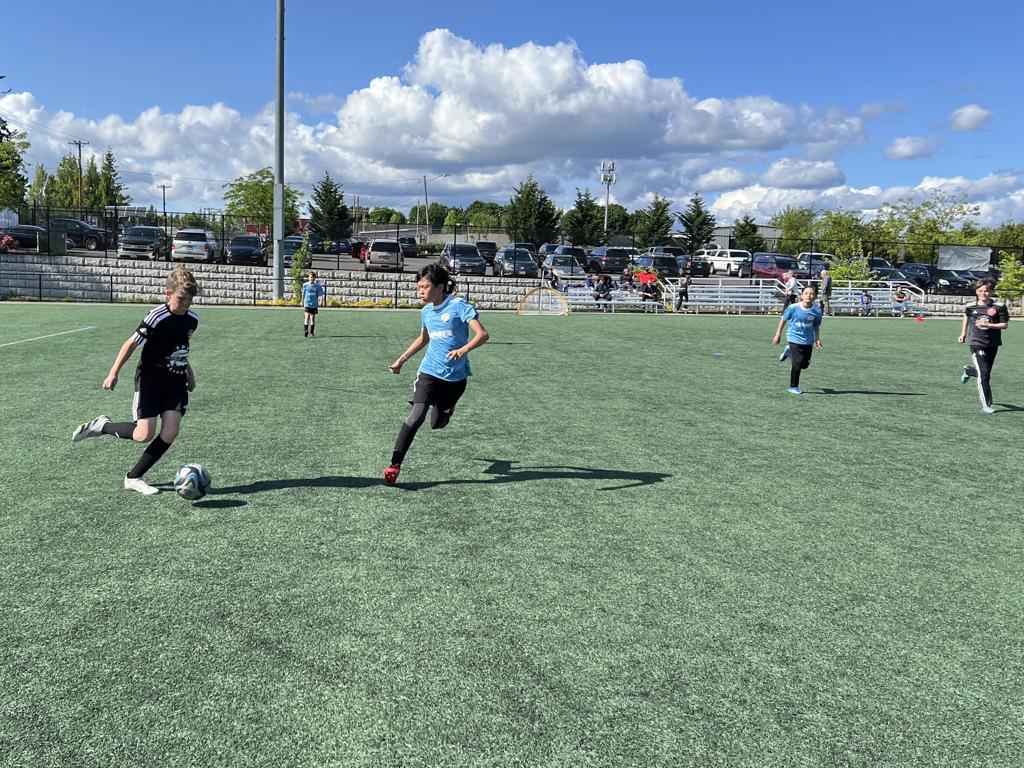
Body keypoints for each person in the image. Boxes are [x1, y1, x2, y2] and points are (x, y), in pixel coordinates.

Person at [71, 267, 200, 495]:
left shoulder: (192, 320)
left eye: (190, 299)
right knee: (143, 435)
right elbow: (130, 344)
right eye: (182, 298)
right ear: (169, 294)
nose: (186, 304)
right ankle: (102, 426)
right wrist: (113, 373)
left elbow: (178, 348)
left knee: (170, 432)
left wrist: (189, 372)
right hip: (150, 381)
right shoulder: (156, 317)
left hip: (175, 383)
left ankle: (133, 477)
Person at [384, 263, 489, 484]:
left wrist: (463, 350)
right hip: (429, 372)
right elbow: (423, 339)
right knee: (416, 415)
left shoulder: (458, 305)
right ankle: (394, 465)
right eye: (419, 287)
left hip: (455, 379)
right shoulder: (426, 312)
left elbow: (482, 334)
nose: (420, 291)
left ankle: (448, 408)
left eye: (425, 287)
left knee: (437, 423)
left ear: (440, 287)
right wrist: (401, 360)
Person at [958, 277, 1009, 414]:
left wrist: (989, 325)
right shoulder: (970, 306)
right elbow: (966, 316)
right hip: (976, 342)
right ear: (976, 291)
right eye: (980, 290)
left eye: (986, 291)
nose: (983, 293)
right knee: (984, 374)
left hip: (992, 343)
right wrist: (963, 333)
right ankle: (986, 404)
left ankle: (969, 371)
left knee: (985, 373)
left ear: (991, 292)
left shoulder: (999, 307)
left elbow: (1004, 325)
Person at [772, 284, 823, 395]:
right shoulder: (793, 308)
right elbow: (783, 319)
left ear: (815, 296)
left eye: (812, 294)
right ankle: (793, 386)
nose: (809, 296)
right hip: (794, 337)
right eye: (806, 293)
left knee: (805, 364)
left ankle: (788, 351)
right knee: (797, 363)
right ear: (801, 295)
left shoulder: (817, 311)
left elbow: (816, 325)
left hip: (808, 340)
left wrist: (817, 339)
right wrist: (778, 334)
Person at [302, 270, 325, 336]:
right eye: (310, 277)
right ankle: (306, 331)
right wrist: (302, 301)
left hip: (314, 304)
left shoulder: (317, 286)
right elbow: (303, 294)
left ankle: (311, 331)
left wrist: (321, 300)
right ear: (308, 278)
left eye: (313, 277)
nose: (312, 278)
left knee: (312, 317)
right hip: (307, 303)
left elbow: (321, 294)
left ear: (315, 278)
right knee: (307, 316)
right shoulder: (305, 285)